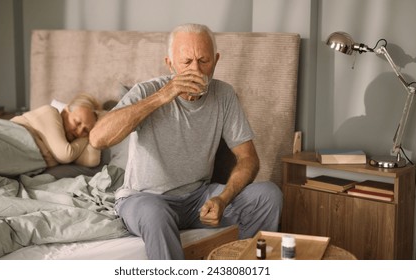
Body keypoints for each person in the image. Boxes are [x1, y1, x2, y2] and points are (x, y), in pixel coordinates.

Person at [89, 23, 283, 259]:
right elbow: (98, 139)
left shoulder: (224, 95)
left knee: (268, 195)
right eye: (186, 62)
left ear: (216, 60)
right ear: (170, 63)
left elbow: (248, 158)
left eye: (204, 61)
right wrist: (163, 95)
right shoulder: (146, 91)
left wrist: (222, 199)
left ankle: (247, 266)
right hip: (145, 198)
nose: (197, 70)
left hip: (198, 198)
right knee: (155, 214)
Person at [11, 93, 102, 168]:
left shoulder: (71, 146)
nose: (79, 132)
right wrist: (87, 137)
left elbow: (92, 160)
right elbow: (65, 155)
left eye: (86, 130)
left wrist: (98, 128)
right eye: (77, 122)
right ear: (65, 111)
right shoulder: (49, 112)